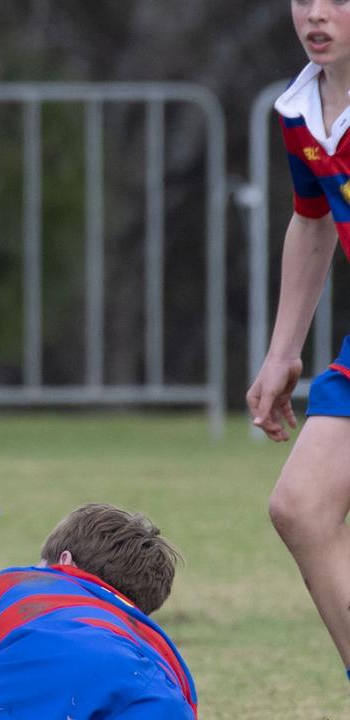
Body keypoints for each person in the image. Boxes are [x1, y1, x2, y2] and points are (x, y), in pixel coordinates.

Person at [248, 0, 350, 685]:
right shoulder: (298, 109)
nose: (316, 14)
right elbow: (313, 219)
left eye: (338, 0)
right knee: (301, 506)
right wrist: (283, 349)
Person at [0, 503, 196, 720]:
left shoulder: (28, 583)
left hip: (66, 658)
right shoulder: (146, 642)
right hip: (169, 702)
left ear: (64, 561)